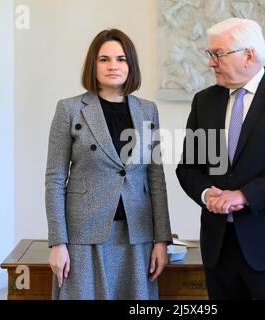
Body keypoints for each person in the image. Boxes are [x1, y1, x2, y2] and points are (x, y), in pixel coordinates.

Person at [176, 18, 265, 300]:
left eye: (218, 54)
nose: (211, 62)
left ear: (249, 55)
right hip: (220, 248)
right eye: (210, 54)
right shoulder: (204, 101)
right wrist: (207, 194)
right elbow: (189, 167)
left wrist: (244, 194)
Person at [45, 29, 172, 300]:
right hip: (84, 235)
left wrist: (161, 240)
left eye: (121, 59)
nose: (113, 66)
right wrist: (58, 242)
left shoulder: (148, 110)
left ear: (131, 65)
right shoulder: (69, 109)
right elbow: (55, 179)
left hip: (136, 236)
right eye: (104, 59)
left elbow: (156, 179)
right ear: (93, 64)